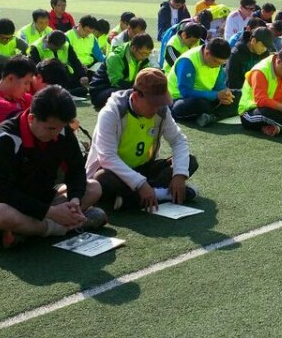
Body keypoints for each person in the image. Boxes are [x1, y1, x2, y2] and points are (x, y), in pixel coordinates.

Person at [0, 85, 107, 248]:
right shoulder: (5, 139)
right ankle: (61, 228)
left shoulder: (62, 131)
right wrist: (52, 213)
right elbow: (3, 191)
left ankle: (28, 230)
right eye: (51, 128)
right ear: (31, 118)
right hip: (1, 202)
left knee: (93, 187)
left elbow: (76, 169)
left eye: (60, 127)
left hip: (43, 198)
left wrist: (75, 201)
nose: (56, 134)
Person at [87, 69, 196, 212]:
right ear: (136, 96)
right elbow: (107, 157)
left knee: (190, 161)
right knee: (102, 178)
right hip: (115, 173)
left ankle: (129, 200)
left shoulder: (161, 110)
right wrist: (140, 184)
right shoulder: (111, 113)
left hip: (144, 168)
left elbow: (178, 141)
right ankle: (162, 194)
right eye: (153, 103)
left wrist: (179, 175)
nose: (157, 108)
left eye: (160, 102)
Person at [169, 38, 239, 127]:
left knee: (238, 95)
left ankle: (212, 117)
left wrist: (226, 93)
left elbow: (219, 86)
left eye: (221, 63)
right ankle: (217, 113)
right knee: (201, 104)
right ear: (207, 53)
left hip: (208, 97)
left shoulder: (216, 63)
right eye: (216, 62)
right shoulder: (187, 61)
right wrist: (216, 95)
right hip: (181, 99)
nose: (218, 66)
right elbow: (186, 92)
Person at [89, 34, 154, 110]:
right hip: (102, 92)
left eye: (148, 53)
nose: (145, 57)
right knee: (132, 94)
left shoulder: (142, 58)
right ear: (133, 48)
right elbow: (116, 82)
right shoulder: (116, 57)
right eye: (143, 53)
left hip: (125, 88)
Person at [28, 30, 89, 96]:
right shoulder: (36, 48)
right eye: (55, 48)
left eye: (59, 47)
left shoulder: (65, 45)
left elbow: (74, 61)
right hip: (47, 76)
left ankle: (65, 91)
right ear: (48, 42)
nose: (57, 49)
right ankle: (65, 92)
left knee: (84, 81)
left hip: (63, 73)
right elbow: (34, 68)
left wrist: (82, 75)